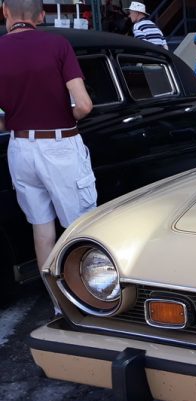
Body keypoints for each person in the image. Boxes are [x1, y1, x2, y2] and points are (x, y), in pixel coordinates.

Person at [0, 0, 97, 291]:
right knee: (80, 225)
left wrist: (17, 120)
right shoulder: (57, 45)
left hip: (20, 148)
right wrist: (67, 116)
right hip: (60, 144)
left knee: (41, 227)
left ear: (5, 11)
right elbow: (84, 105)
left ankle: (56, 300)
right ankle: (85, 295)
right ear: (41, 16)